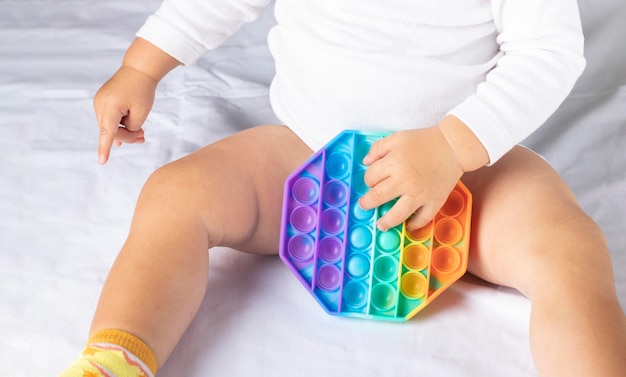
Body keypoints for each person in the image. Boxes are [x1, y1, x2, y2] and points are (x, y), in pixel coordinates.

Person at [60, 0, 626, 376]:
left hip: (468, 176)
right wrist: (142, 66)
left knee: (568, 250)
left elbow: (549, 53)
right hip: (307, 161)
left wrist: (452, 147)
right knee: (175, 194)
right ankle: (116, 356)